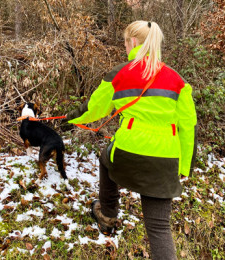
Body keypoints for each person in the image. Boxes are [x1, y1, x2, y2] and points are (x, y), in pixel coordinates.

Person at [67, 20, 197, 260]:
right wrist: (185, 165)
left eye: (125, 43)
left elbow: (93, 109)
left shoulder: (120, 73)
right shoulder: (178, 81)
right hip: (165, 160)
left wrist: (67, 118)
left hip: (127, 152)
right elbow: (188, 127)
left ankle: (107, 215)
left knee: (106, 159)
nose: (125, 49)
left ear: (134, 42)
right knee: (158, 228)